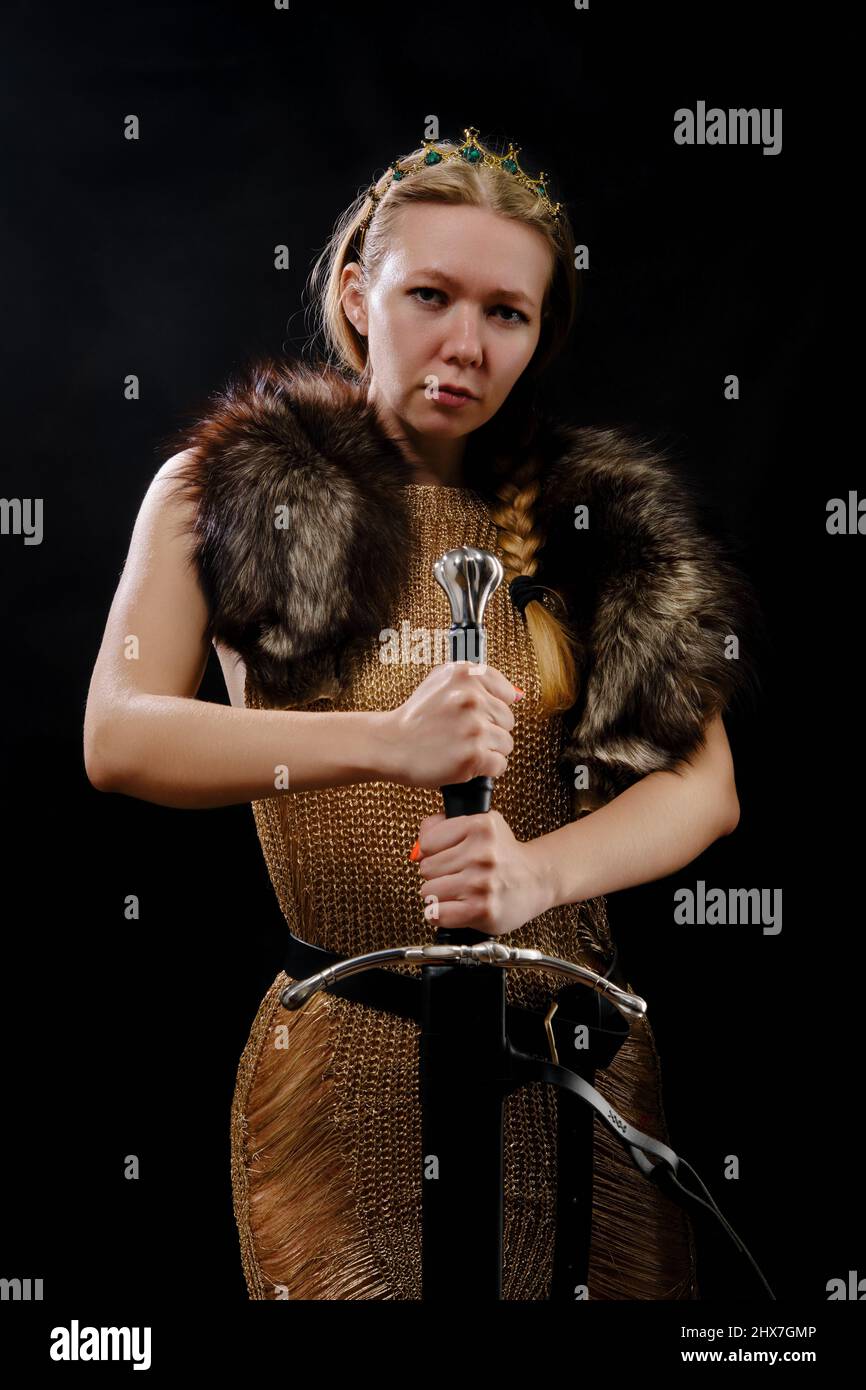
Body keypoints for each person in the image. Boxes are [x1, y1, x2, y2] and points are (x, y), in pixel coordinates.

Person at [83, 127, 760, 1300]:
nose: (464, 344)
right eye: (429, 295)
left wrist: (537, 876)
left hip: (573, 1064)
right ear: (357, 292)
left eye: (507, 313)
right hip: (352, 1057)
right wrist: (384, 743)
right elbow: (120, 733)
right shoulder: (230, 490)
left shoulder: (594, 521)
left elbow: (704, 788)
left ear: (540, 332)